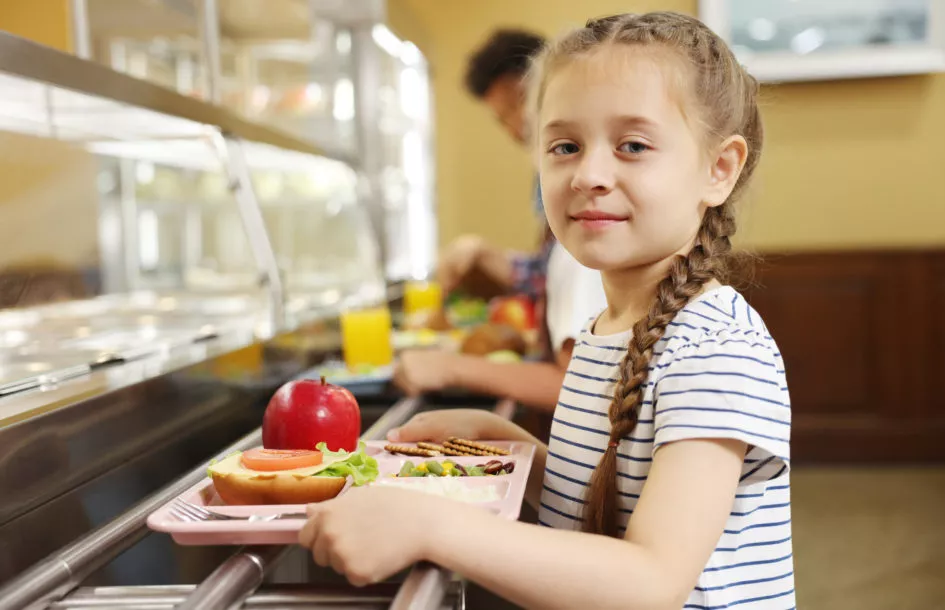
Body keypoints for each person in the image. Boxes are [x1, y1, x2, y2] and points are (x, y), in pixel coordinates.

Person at [302, 12, 793, 609]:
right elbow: (610, 507)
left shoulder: (715, 349)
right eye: (565, 146)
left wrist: (430, 526)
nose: (588, 174)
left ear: (719, 170)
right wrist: (509, 444)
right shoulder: (604, 329)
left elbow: (649, 583)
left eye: (632, 145)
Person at [395, 29, 607, 412]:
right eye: (503, 118)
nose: (516, 127)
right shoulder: (569, 230)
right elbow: (552, 269)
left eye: (520, 106)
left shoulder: (593, 238)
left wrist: (452, 368)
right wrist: (481, 252)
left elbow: (584, 389)